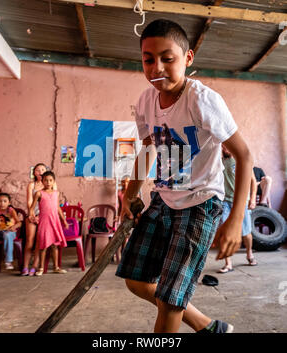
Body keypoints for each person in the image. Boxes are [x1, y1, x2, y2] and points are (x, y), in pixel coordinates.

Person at [115, 19, 253, 333]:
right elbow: (147, 149)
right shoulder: (145, 102)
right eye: (148, 59)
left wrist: (235, 218)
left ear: (188, 58)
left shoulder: (203, 101)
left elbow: (244, 155)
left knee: (170, 299)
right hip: (164, 198)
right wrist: (130, 196)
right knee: (136, 280)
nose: (156, 67)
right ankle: (208, 327)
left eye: (168, 58)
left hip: (201, 203)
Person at [218, 145, 258, 273]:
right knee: (225, 233)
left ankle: (249, 254)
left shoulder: (241, 160)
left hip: (241, 202)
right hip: (225, 202)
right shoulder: (219, 161)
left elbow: (253, 181)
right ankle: (228, 263)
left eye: (227, 145)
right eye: (223, 145)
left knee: (246, 232)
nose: (225, 148)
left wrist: (252, 199)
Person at [29, 171, 68, 276]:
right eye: (46, 180)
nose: (48, 182)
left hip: (55, 221)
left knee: (55, 245)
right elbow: (32, 208)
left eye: (50, 180)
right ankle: (41, 268)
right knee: (43, 245)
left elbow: (58, 207)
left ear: (54, 181)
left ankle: (56, 267)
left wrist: (63, 220)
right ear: (42, 181)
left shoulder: (56, 193)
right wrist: (32, 216)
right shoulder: (39, 193)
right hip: (44, 222)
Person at [22, 163, 57, 276]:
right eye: (37, 170)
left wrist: (41, 217)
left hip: (45, 217)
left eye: (42, 169)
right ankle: (25, 266)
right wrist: (31, 215)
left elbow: (54, 202)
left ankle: (35, 267)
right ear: (34, 173)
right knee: (29, 241)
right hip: (32, 215)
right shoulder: (32, 185)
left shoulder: (51, 185)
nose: (40, 171)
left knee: (39, 241)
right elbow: (29, 202)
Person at [0, 193, 21, 270]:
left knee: (7, 235)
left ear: (9, 203)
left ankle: (8, 261)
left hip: (9, 232)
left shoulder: (11, 210)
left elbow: (19, 223)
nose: (2, 203)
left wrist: (14, 227)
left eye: (5, 201)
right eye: (0, 201)